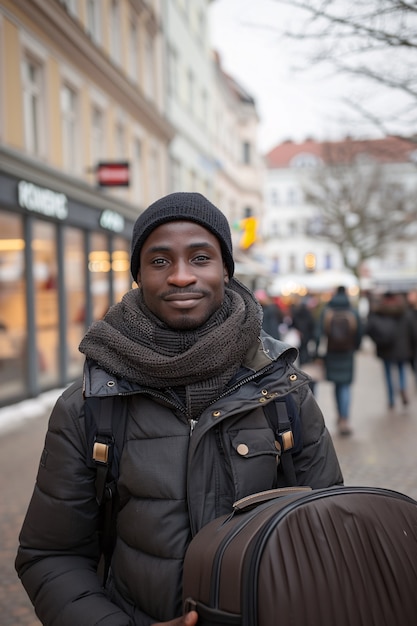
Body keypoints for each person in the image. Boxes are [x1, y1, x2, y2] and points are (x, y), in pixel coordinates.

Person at [16, 192, 343, 626]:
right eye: (159, 261)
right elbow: (51, 554)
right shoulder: (89, 406)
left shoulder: (284, 392)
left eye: (201, 257)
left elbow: (327, 539)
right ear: (138, 275)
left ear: (226, 269)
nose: (181, 276)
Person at [316, 285, 362, 436]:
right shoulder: (353, 311)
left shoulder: (327, 311)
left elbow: (319, 333)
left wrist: (318, 353)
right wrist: (355, 347)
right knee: (346, 386)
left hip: (331, 352)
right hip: (347, 353)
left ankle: (340, 415)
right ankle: (344, 418)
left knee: (336, 385)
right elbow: (360, 331)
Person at [366, 291, 416, 409]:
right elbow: (412, 330)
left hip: (386, 348)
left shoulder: (379, 311)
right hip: (403, 348)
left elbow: (370, 328)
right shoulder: (404, 311)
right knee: (401, 370)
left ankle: (391, 399)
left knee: (388, 373)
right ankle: (402, 388)